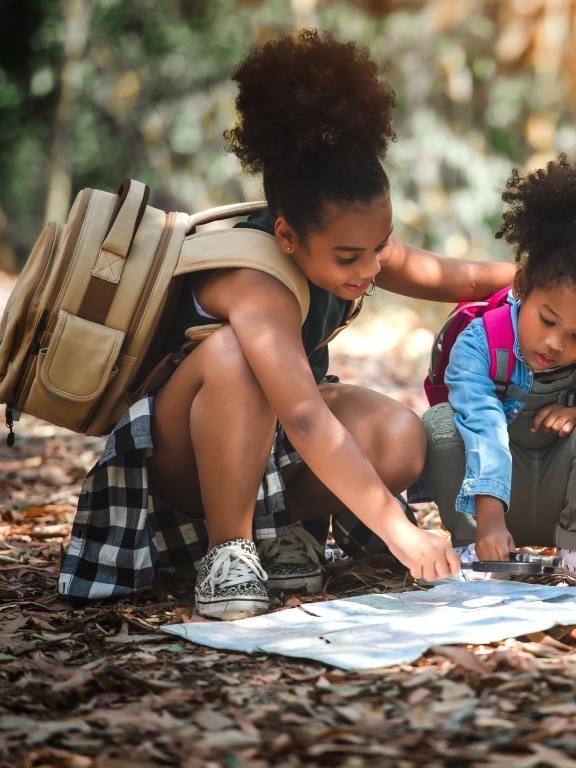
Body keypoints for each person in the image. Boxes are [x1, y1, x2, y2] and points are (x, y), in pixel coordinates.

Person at [58, 30, 515, 619]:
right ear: (287, 237)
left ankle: (282, 534)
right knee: (236, 358)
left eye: (380, 247)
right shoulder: (255, 281)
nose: (370, 268)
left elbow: (462, 277)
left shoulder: (354, 246)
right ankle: (230, 551)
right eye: (349, 257)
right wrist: (401, 534)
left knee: (402, 437)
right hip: (181, 466)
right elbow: (304, 417)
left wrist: (562, 276)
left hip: (272, 450)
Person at [419, 157, 576, 585]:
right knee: (440, 425)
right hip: (489, 502)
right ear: (521, 287)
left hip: (562, 499)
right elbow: (482, 426)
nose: (556, 344)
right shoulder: (480, 342)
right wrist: (490, 522)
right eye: (547, 320)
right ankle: (470, 548)